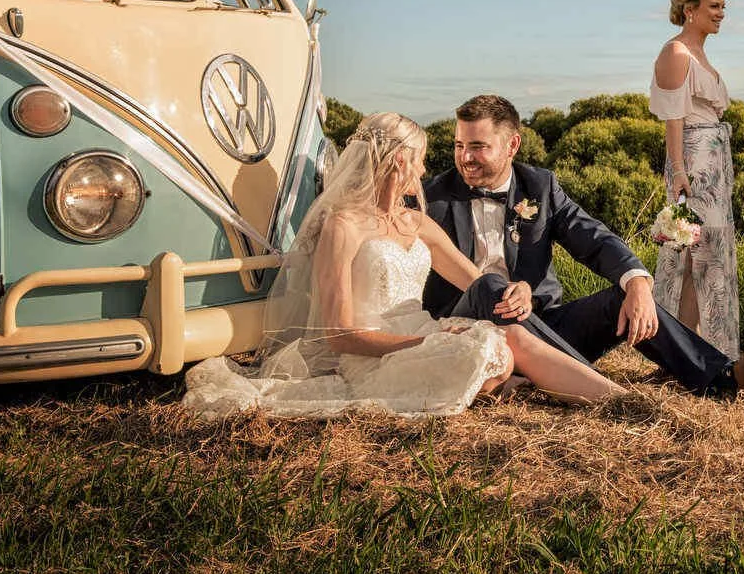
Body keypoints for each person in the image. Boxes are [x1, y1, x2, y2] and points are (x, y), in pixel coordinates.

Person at [182, 113, 624, 417]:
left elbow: (479, 284)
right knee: (495, 350)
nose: (425, 168)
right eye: (420, 158)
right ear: (399, 162)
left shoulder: (418, 224)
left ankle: (609, 397)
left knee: (500, 348)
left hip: (427, 333)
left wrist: (519, 290)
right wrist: (419, 345)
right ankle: (619, 400)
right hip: (373, 355)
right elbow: (339, 335)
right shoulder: (344, 226)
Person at [423, 95, 744, 396]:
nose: (465, 157)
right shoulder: (432, 199)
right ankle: (603, 393)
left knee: (621, 298)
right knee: (488, 285)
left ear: (512, 145)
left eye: (477, 146)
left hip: (543, 326)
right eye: (459, 145)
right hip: (468, 332)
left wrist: (638, 283)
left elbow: (593, 238)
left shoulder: (540, 187)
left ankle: (727, 378)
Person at [649, 0, 739, 358]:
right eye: (714, 5)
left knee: (707, 257)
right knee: (687, 256)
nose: (721, 13)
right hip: (693, 166)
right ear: (690, 9)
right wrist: (680, 172)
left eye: (723, 6)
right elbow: (674, 119)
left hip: (714, 165)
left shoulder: (700, 53)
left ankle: (703, 348)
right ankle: (682, 351)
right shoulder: (676, 53)